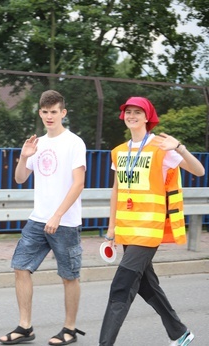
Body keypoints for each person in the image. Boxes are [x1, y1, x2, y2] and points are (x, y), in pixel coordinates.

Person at [98, 96, 205, 346]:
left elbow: (199, 171)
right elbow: (116, 190)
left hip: (149, 229)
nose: (132, 115)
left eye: (138, 112)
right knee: (146, 284)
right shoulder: (119, 152)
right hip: (127, 228)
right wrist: (111, 228)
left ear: (148, 117)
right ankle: (180, 332)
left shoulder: (161, 147)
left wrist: (179, 147)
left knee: (121, 286)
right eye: (128, 111)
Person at [0, 90, 87, 345]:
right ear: (40, 113)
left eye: (54, 112)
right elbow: (19, 178)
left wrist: (58, 215)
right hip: (38, 219)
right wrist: (24, 156)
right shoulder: (38, 144)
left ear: (63, 113)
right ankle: (25, 326)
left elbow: (78, 183)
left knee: (69, 276)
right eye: (45, 112)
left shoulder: (74, 142)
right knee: (20, 268)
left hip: (65, 222)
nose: (50, 116)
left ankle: (69, 329)